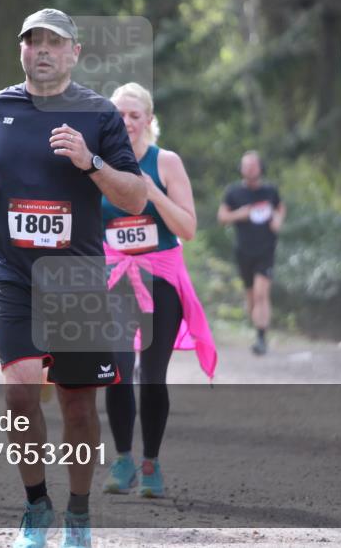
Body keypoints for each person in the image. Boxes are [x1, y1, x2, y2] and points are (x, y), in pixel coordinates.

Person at [0, 8, 146, 548]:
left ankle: (79, 515)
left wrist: (90, 163)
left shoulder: (100, 114)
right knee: (19, 394)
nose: (41, 50)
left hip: (77, 277)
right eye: (32, 41)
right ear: (21, 50)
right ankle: (37, 507)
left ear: (74, 53)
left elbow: (133, 198)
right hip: (12, 274)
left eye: (53, 43)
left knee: (79, 404)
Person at [100, 83, 217, 499]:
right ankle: (123, 459)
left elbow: (188, 228)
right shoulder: (98, 165)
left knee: (150, 376)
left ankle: (150, 462)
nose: (126, 122)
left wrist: (151, 192)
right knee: (114, 370)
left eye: (135, 115)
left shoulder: (165, 162)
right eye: (119, 115)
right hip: (114, 280)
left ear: (149, 120)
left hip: (161, 278)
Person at [217, 151, 285, 355]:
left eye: (253, 165)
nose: (249, 169)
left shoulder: (270, 191)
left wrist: (278, 220)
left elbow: (280, 208)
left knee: (261, 292)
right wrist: (241, 214)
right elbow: (222, 217)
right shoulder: (233, 192)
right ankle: (259, 331)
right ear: (241, 168)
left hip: (266, 249)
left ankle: (261, 339)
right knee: (251, 297)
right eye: (245, 166)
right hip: (244, 251)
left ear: (260, 167)